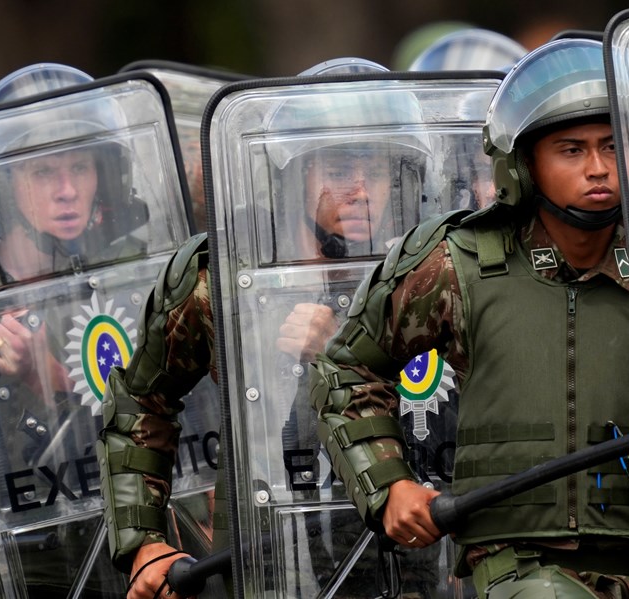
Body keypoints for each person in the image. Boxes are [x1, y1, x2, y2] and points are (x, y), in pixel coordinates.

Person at [308, 38, 629, 599]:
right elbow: (345, 370)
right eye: (571, 150)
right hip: (518, 565)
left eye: (613, 147)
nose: (598, 169)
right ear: (523, 164)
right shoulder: (460, 262)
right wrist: (390, 484)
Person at [95, 62, 448, 599]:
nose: (359, 190)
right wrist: (144, 541)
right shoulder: (226, 276)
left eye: (376, 169)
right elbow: (139, 401)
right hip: (272, 565)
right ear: (294, 174)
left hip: (428, 558)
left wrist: (341, 354)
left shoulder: (442, 274)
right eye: (338, 167)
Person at [0, 63, 190, 598]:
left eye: (82, 167)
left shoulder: (134, 285)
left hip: (136, 550)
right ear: (2, 185)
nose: (68, 190)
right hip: (15, 567)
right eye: (42, 172)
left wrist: (50, 379)